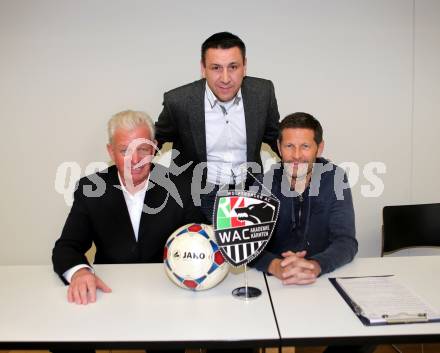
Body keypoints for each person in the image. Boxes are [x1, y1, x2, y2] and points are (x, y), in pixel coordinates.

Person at [52, 110, 204, 306]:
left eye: (143, 149)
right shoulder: (90, 190)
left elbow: (201, 242)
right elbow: (66, 247)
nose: (135, 160)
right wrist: (80, 272)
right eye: (125, 150)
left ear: (155, 148)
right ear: (111, 152)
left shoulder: (183, 187)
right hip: (108, 296)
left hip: (170, 296)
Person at [253, 112, 376, 353]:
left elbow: (346, 241)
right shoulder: (265, 182)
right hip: (278, 282)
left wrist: (315, 265)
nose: (296, 155)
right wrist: (276, 265)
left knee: (366, 329)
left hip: (324, 278)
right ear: (278, 147)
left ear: (319, 147)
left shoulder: (335, 178)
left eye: (305, 146)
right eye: (289, 146)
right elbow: (251, 245)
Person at [155, 31, 280, 222]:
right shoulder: (178, 101)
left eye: (233, 67)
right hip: (196, 196)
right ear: (203, 69)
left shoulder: (263, 93)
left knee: (249, 252)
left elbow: (276, 138)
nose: (225, 78)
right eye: (216, 68)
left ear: (244, 66)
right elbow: (154, 140)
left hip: (248, 192)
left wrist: (309, 161)